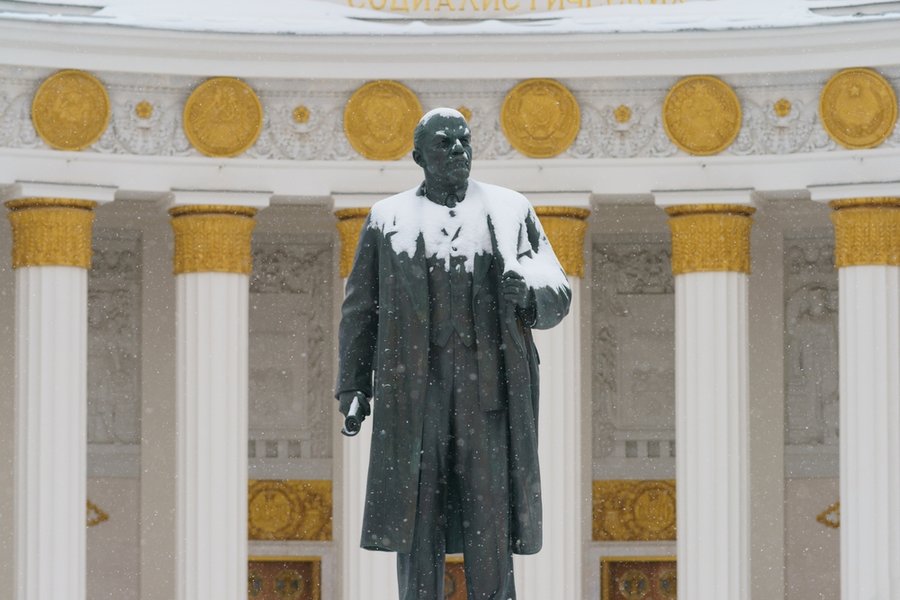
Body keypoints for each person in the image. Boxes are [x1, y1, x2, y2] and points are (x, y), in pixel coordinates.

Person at [335, 107, 571, 600]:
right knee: (417, 518)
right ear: (419, 155)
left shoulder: (509, 210)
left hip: (489, 395)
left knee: (490, 515)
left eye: (464, 141)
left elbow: (557, 288)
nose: (458, 151)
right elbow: (361, 309)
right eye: (445, 144)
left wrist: (527, 293)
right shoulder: (387, 219)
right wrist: (354, 387)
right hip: (413, 395)